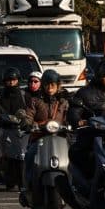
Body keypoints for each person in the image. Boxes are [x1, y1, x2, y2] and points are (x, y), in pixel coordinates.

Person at [68, 60, 105, 181]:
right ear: (98, 77)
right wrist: (79, 121)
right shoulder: (85, 93)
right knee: (82, 154)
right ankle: (85, 184)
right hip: (94, 136)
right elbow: (74, 112)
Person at [19, 69, 68, 197]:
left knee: (74, 157)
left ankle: (75, 187)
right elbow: (28, 115)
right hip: (39, 137)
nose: (50, 88)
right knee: (29, 156)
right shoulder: (35, 100)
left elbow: (72, 115)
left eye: (53, 85)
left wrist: (76, 123)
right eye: (47, 84)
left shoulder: (64, 101)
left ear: (58, 85)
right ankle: (27, 187)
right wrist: (28, 123)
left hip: (61, 138)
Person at [0, 68, 28, 183]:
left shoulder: (24, 95)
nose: (11, 82)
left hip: (21, 129)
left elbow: (33, 109)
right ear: (4, 81)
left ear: (18, 80)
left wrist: (28, 119)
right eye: (9, 80)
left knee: (30, 151)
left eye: (14, 79)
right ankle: (0, 162)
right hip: (4, 128)